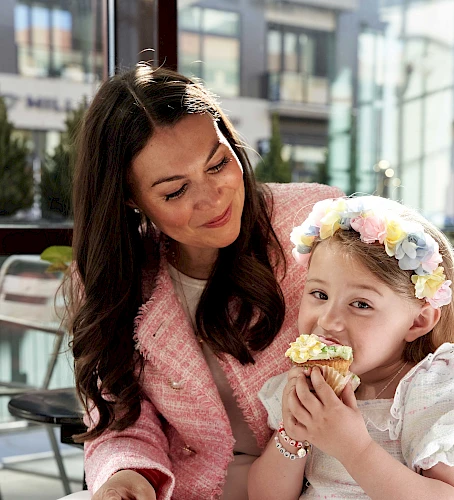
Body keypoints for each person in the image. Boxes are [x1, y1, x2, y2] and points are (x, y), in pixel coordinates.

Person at [65, 63, 343, 500]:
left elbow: (411, 328)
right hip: (195, 488)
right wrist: (127, 476)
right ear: (129, 198)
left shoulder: (317, 222)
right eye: (175, 191)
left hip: (333, 480)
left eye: (218, 164)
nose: (213, 198)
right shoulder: (114, 278)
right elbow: (121, 423)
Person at [249, 196, 454, 499]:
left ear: (417, 322)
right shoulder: (303, 386)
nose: (328, 321)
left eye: (360, 304)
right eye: (319, 293)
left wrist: (355, 449)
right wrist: (292, 434)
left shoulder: (444, 389)